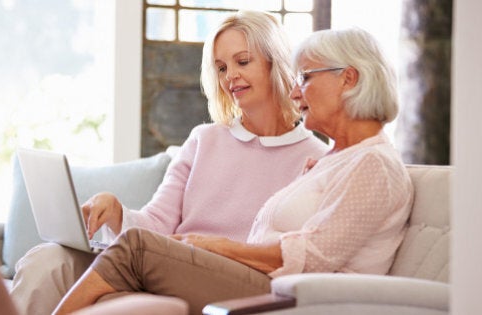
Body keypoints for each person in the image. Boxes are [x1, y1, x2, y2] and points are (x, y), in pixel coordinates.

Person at [52, 27, 415, 315]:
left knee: (135, 248)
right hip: (268, 284)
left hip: (298, 299)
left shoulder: (375, 164)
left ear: (348, 79)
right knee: (98, 262)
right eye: (222, 67)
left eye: (305, 77)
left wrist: (211, 245)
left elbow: (313, 255)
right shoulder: (338, 158)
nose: (295, 93)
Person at [9, 10, 328, 315]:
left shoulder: (316, 158)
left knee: (113, 293)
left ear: (276, 63)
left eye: (242, 61)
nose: (230, 76)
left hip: (220, 282)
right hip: (157, 265)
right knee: (47, 260)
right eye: (220, 68)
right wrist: (117, 214)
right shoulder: (204, 139)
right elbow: (157, 223)